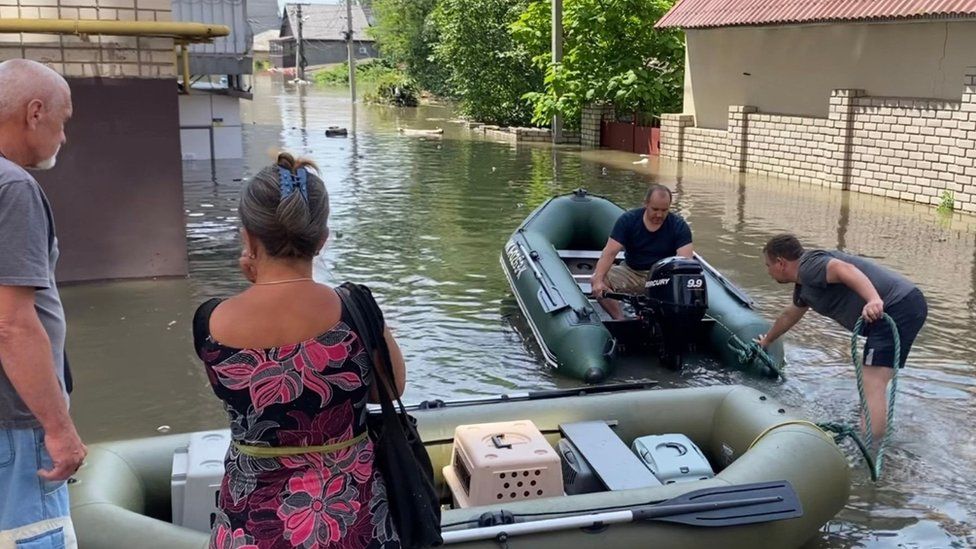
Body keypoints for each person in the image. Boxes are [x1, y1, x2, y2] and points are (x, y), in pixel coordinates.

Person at [193, 152, 405, 549]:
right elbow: (390, 390)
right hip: (352, 522)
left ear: (248, 237)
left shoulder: (210, 322)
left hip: (249, 524)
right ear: (322, 239)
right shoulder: (354, 307)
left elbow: (244, 401)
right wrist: (370, 315)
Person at [0, 59, 85, 547]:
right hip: (16, 426)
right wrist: (57, 429)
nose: (63, 136)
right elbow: (11, 323)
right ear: (35, 112)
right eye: (63, 121)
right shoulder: (13, 187)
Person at [758, 234, 928, 442]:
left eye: (767, 266)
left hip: (897, 306)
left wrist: (874, 299)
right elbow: (789, 316)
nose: (767, 272)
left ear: (781, 263)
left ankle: (871, 449)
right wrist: (766, 341)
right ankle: (873, 429)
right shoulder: (804, 287)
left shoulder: (810, 266)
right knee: (874, 382)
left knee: (872, 381)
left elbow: (845, 269)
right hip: (903, 305)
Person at [590, 184, 694, 319]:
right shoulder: (628, 220)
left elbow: (685, 261)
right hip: (632, 271)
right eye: (655, 209)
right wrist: (598, 280)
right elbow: (610, 252)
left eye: (664, 210)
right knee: (597, 279)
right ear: (646, 204)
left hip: (662, 276)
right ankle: (620, 319)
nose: (659, 214)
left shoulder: (679, 226)